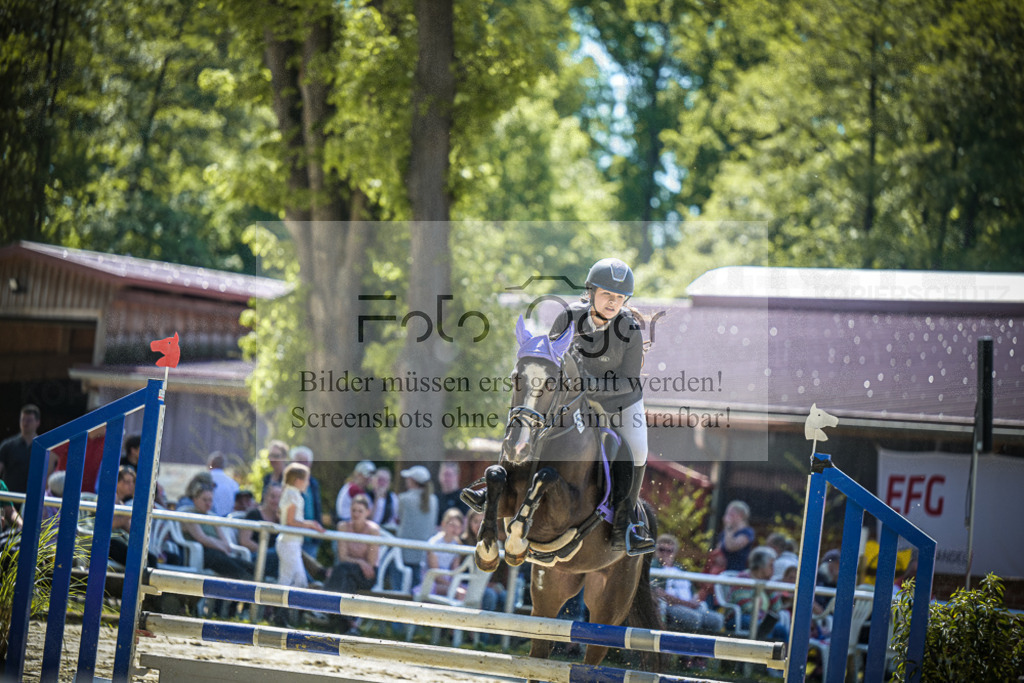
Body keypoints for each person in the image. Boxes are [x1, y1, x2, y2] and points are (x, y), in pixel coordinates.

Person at [549, 257, 653, 554]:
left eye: (619, 297)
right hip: (571, 397)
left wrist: (590, 387)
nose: (613, 302)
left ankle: (628, 522)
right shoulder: (568, 318)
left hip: (619, 401)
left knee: (638, 448)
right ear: (591, 291)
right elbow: (550, 362)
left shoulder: (629, 328)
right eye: (607, 294)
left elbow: (628, 381)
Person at [326, 493, 380, 633]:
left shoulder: (373, 531)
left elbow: (371, 562)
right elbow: (343, 556)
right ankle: (348, 623)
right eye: (353, 510)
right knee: (347, 578)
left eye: (360, 511)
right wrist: (360, 562)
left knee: (342, 571)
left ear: (367, 512)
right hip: (348, 571)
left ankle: (327, 607)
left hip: (367, 574)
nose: (356, 514)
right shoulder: (343, 526)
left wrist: (361, 564)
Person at [651, 534, 724, 634]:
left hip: (689, 605)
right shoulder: (654, 567)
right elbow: (659, 593)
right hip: (669, 607)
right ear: (656, 550)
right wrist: (687, 604)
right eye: (662, 549)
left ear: (674, 552)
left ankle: (707, 647)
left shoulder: (679, 568)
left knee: (717, 619)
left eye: (669, 551)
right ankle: (689, 646)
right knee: (693, 618)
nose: (665, 553)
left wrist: (694, 601)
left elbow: (693, 591)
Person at [180, 482, 254, 580]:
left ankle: (260, 583)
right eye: (204, 500)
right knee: (236, 570)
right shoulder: (190, 515)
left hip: (218, 552)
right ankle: (247, 586)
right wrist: (222, 547)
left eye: (210, 500)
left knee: (249, 567)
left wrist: (223, 547)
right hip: (202, 553)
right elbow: (202, 538)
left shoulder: (212, 517)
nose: (208, 503)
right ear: (195, 499)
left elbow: (225, 542)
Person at [277, 462, 325, 590]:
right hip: (289, 543)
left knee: (298, 580)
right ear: (298, 481)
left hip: (290, 542)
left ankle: (288, 609)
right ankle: (274, 608)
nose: (308, 483)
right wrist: (310, 525)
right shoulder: (293, 495)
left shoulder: (288, 493)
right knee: (288, 580)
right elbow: (290, 521)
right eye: (306, 480)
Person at [395, 465, 437, 589]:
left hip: (405, 551)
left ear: (413, 481)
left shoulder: (404, 499)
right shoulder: (434, 500)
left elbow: (399, 519)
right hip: (423, 553)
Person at [238, 482, 282, 579]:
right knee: (283, 552)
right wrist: (264, 550)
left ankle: (312, 580)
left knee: (292, 550)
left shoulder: (280, 519)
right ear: (265, 497)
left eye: (279, 497)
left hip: (276, 560)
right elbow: (244, 541)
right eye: (273, 496)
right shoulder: (253, 514)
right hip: (256, 558)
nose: (276, 501)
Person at [289, 446, 324, 559]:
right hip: (293, 537)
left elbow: (317, 509)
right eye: (300, 461)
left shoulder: (313, 483)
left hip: (311, 538)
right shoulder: (287, 485)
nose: (303, 465)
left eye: (306, 462)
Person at [423, 507, 465, 596]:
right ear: (443, 524)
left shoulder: (457, 544)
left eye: (458, 526)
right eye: (452, 525)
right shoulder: (434, 542)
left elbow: (455, 569)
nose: (455, 529)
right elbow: (435, 575)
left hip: (447, 581)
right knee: (459, 593)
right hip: (431, 582)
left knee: (471, 594)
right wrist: (453, 586)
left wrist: (457, 584)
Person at [0, 404, 41, 495]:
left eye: (29, 420)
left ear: (38, 422)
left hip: (33, 498)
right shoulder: (7, 445)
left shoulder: (43, 448)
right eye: (23, 419)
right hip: (9, 499)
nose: (25, 423)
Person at [717, 500, 756, 572]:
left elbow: (731, 547)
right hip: (722, 571)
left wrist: (728, 527)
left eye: (730, 514)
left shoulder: (747, 532)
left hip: (736, 573)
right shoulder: (725, 532)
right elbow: (718, 550)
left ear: (740, 515)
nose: (726, 517)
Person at [207, 451, 239, 517]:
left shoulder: (204, 480)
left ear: (211, 464)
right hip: (227, 521)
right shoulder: (233, 484)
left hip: (207, 520)